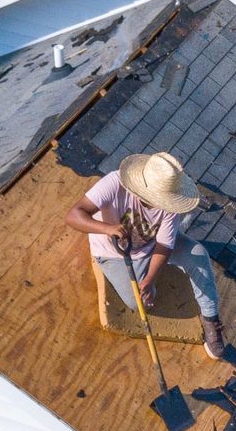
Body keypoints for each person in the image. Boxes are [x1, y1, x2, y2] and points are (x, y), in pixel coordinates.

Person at [67, 151, 227, 359]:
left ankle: (210, 319)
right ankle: (113, 266)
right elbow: (74, 215)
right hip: (113, 251)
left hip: (150, 244)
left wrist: (150, 280)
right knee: (137, 303)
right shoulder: (114, 182)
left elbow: (164, 245)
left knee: (198, 254)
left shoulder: (172, 200)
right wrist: (106, 229)